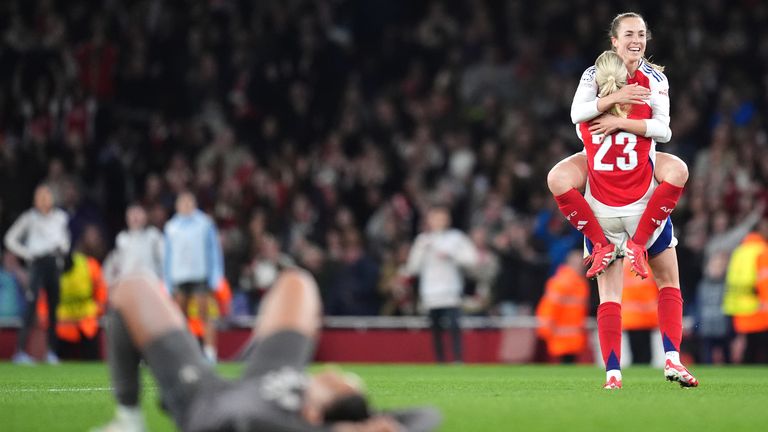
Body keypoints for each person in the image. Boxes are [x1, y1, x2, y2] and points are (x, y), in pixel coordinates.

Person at [94, 268, 440, 432]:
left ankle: (128, 421)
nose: (330, 371)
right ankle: (244, 358)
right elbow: (427, 415)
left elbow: (242, 422)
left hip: (206, 399)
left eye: (336, 383)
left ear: (314, 414)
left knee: (132, 289)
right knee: (298, 282)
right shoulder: (323, 411)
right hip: (271, 376)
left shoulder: (270, 426)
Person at [573, 45, 697, 388]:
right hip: (643, 206)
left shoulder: (588, 122)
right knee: (669, 284)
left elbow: (576, 114)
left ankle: (613, 375)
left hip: (601, 210)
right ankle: (672, 359)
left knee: (609, 298)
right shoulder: (644, 110)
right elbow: (663, 131)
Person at [547, 12, 689, 280]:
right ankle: (602, 244)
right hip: (601, 161)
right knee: (557, 178)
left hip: (637, 159)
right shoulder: (593, 74)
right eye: (629, 34)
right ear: (614, 41)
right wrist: (620, 97)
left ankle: (627, 244)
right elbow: (576, 114)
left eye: (641, 34)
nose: (637, 40)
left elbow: (664, 131)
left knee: (677, 170)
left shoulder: (656, 79)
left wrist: (618, 123)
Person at [4, 184, 71, 364]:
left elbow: (65, 241)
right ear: (35, 199)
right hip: (36, 264)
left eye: (46, 196)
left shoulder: (60, 217)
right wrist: (27, 253)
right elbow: (9, 238)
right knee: (30, 307)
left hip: (53, 263)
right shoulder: (29, 218)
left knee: (53, 309)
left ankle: (52, 352)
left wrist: (62, 248)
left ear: (52, 198)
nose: (43, 200)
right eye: (40, 196)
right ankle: (20, 352)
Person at [405, 204, 478, 363]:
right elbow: (412, 268)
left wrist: (451, 255)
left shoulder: (456, 238)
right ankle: (440, 361)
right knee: (436, 330)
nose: (438, 221)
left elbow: (472, 259)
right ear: (429, 220)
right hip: (430, 292)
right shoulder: (423, 240)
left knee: (454, 327)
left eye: (442, 217)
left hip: (450, 290)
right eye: (435, 217)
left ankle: (458, 359)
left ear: (447, 219)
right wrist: (422, 250)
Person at [163, 191, 224, 362]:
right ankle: (183, 354)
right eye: (183, 203)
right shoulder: (171, 227)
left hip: (200, 275)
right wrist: (167, 281)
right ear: (177, 206)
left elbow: (213, 250)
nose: (186, 206)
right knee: (179, 319)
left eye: (189, 202)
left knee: (206, 315)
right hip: (179, 277)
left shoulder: (204, 223)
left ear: (195, 204)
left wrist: (216, 276)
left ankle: (210, 353)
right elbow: (167, 256)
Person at [722, 222, 768, 364]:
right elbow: (764, 279)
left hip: (737, 306)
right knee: (760, 351)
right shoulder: (762, 250)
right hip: (758, 307)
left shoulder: (739, 251)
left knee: (747, 350)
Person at [535, 249, 589, 363]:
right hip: (561, 334)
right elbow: (549, 308)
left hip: (571, 335)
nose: (580, 267)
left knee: (567, 366)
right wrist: (545, 330)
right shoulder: (562, 283)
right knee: (565, 365)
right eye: (577, 264)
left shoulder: (579, 284)